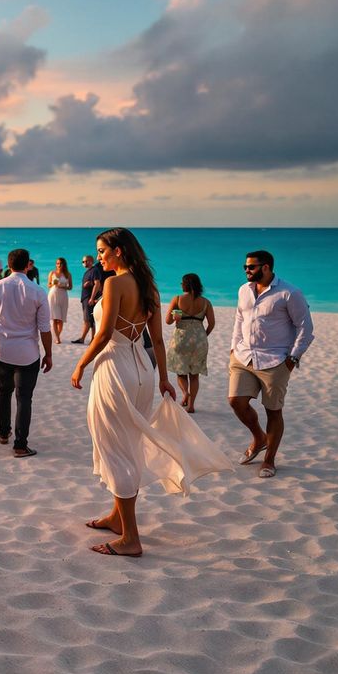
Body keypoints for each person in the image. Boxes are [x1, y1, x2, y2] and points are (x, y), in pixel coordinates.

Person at [70, 228, 231, 557]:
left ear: (119, 251)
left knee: (115, 448)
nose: (99, 256)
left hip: (115, 367)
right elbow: (156, 340)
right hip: (142, 369)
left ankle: (130, 538)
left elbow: (102, 335)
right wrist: (162, 379)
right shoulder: (149, 288)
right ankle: (118, 517)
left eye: (102, 250)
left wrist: (80, 365)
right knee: (128, 444)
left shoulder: (115, 283)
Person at [228, 250, 313, 479]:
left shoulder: (289, 293)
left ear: (266, 268)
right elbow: (239, 318)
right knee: (236, 401)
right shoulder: (243, 290)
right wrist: (234, 346)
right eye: (245, 267)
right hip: (243, 357)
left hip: (275, 360)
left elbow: (305, 327)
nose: (247, 271)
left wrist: (293, 358)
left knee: (273, 411)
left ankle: (269, 460)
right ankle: (259, 438)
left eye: (251, 267)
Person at [0, 249, 52, 458]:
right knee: (24, 397)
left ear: (9, 265)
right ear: (27, 265)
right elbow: (44, 328)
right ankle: (20, 445)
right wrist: (49, 354)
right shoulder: (37, 291)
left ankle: (3, 434)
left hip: (1, 348)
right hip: (27, 352)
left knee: (4, 390)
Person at [165, 273, 214, 413]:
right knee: (194, 374)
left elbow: (168, 321)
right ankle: (191, 405)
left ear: (185, 284)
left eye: (182, 282)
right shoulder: (206, 302)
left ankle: (185, 393)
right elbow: (212, 323)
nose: (180, 285)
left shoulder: (178, 299)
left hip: (181, 338)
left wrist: (177, 316)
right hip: (199, 340)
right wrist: (203, 335)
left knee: (181, 372)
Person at [72, 255, 104, 344]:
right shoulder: (88, 271)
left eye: (86, 261)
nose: (84, 263)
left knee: (89, 320)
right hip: (86, 298)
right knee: (89, 320)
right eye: (83, 262)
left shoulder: (94, 270)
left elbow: (97, 284)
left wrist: (92, 298)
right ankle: (89, 339)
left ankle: (88, 339)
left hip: (89, 298)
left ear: (91, 261)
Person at [47, 257, 72, 344]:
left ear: (64, 264)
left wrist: (62, 286)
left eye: (61, 263)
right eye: (57, 263)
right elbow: (49, 285)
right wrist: (53, 284)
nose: (59, 265)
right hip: (53, 296)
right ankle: (57, 338)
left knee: (61, 319)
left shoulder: (68, 274)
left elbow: (70, 287)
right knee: (55, 318)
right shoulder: (52, 273)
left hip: (63, 297)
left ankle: (57, 335)